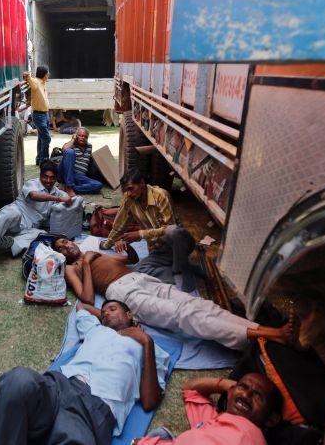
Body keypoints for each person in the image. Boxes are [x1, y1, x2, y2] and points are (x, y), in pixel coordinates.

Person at [52, 238, 297, 351]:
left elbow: (131, 260)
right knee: (183, 315)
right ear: (63, 255)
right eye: (60, 248)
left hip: (140, 278)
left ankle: (257, 330)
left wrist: (125, 250)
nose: (65, 246)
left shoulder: (95, 251)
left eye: (65, 242)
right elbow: (85, 298)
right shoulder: (73, 268)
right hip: (122, 291)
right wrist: (87, 263)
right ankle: (263, 333)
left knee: (198, 303)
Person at [0, 299, 170, 445]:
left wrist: (146, 341)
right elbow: (81, 306)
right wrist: (110, 321)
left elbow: (149, 401)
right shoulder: (96, 329)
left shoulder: (151, 349)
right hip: (60, 385)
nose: (106, 314)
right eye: (103, 313)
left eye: (113, 309)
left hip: (93, 410)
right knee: (18, 381)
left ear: (130, 314)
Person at [100, 169, 197, 291]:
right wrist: (107, 244)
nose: (128, 193)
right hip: (158, 250)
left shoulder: (160, 195)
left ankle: (180, 271)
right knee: (139, 270)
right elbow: (119, 225)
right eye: (126, 190)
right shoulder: (128, 199)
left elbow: (169, 228)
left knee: (173, 231)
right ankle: (183, 269)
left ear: (142, 183)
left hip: (178, 244)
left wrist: (140, 234)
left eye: (131, 188)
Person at [0, 160, 73, 259]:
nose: (48, 180)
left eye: (52, 177)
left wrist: (71, 200)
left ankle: (10, 243)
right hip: (15, 218)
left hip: (28, 228)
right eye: (45, 176)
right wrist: (59, 198)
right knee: (11, 213)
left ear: (56, 178)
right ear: (40, 175)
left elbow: (71, 199)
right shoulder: (32, 184)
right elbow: (34, 196)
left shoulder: (56, 191)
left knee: (42, 234)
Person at [134, 374, 282, 445]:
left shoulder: (251, 435)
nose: (246, 394)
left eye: (258, 395)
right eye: (243, 386)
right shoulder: (211, 422)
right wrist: (228, 387)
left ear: (271, 419)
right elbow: (190, 389)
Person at [57, 127, 103, 195]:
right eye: (81, 135)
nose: (83, 138)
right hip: (67, 174)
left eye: (85, 136)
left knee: (98, 185)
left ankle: (69, 188)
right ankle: (69, 186)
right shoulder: (71, 144)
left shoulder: (89, 146)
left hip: (79, 177)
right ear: (76, 135)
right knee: (70, 152)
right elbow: (64, 150)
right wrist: (73, 139)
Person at [22, 66, 51, 165]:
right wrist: (27, 77)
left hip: (44, 114)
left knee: (41, 138)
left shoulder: (43, 82)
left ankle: (39, 160)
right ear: (44, 75)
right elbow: (30, 80)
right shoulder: (36, 82)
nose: (49, 75)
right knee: (47, 139)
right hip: (39, 115)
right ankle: (44, 160)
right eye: (47, 73)